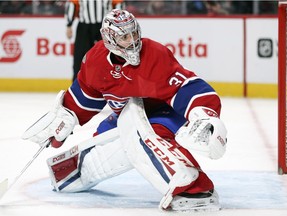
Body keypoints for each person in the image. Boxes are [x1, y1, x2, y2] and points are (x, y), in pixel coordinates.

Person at [22, 9, 227, 212]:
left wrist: (203, 113)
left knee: (144, 135)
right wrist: (65, 117)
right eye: (125, 36)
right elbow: (84, 99)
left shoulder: (155, 54)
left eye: (134, 33)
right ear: (110, 39)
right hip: (123, 116)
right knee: (106, 144)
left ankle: (196, 189)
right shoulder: (95, 60)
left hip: (163, 115)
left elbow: (186, 87)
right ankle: (73, 173)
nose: (133, 41)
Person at [65, 0, 125, 81]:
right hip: (84, 26)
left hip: (105, 26)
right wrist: (69, 24)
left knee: (109, 55)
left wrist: (119, 24)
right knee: (80, 57)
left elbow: (118, 4)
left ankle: (112, 82)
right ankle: (78, 84)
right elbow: (73, 3)